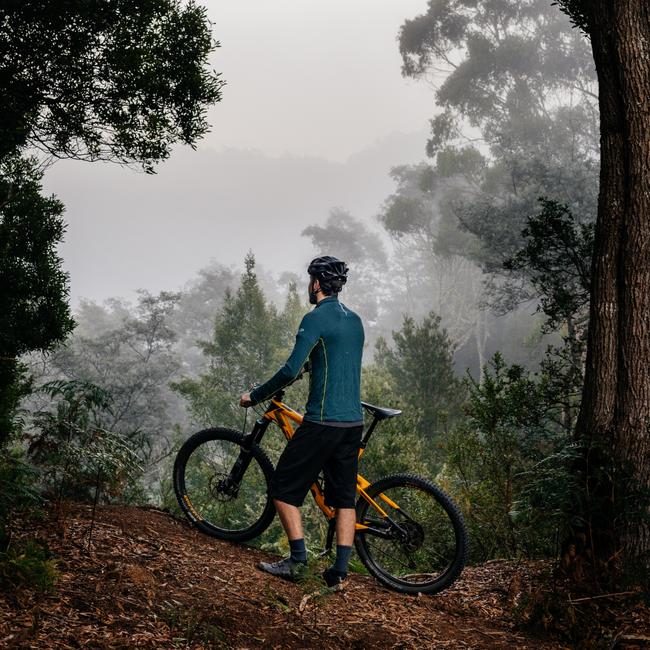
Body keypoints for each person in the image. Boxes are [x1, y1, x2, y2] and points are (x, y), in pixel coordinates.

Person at [239, 255, 364, 587]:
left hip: (323, 423)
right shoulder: (355, 321)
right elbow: (331, 358)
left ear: (317, 284)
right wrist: (311, 368)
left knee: (282, 488)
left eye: (310, 280)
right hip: (353, 423)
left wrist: (256, 396)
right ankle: (338, 573)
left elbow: (289, 369)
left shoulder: (314, 319)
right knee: (343, 499)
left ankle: (297, 561)